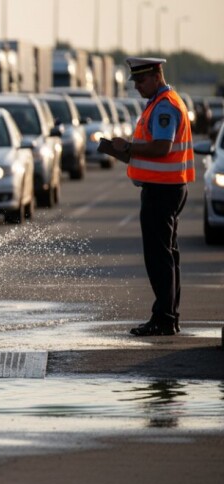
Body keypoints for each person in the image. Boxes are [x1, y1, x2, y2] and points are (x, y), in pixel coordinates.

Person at [110, 57, 194, 337]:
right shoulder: (161, 102)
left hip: (162, 190)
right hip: (167, 187)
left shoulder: (165, 106)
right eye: (134, 81)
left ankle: (164, 319)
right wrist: (122, 151)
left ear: (157, 75)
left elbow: (161, 147)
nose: (137, 86)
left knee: (159, 258)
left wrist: (129, 147)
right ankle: (169, 316)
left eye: (141, 80)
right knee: (168, 257)